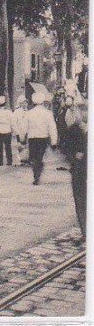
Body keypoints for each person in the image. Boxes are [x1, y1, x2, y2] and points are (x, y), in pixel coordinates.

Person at [63, 97, 87, 236]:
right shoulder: (73, 129)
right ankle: (86, 231)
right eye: (81, 109)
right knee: (80, 199)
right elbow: (66, 146)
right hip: (78, 170)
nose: (83, 113)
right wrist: (73, 156)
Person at [25, 91, 58, 185]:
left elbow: (24, 127)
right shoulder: (48, 113)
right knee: (39, 157)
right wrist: (54, 141)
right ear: (43, 102)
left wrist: (22, 137)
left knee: (33, 157)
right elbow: (52, 127)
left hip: (32, 138)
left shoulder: (29, 113)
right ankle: (37, 174)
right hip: (43, 138)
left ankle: (36, 175)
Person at [0, 95, 14, 166]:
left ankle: (0, 161)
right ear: (5, 103)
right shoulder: (9, 112)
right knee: (8, 146)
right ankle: (9, 161)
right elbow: (12, 121)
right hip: (7, 129)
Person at [12, 95, 29, 165]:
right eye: (23, 103)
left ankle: (25, 159)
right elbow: (14, 123)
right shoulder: (16, 112)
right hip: (19, 131)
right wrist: (17, 133)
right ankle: (21, 159)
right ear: (20, 103)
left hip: (26, 131)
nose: (25, 104)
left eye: (26, 102)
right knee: (20, 145)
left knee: (26, 145)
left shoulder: (28, 111)